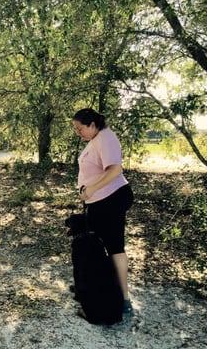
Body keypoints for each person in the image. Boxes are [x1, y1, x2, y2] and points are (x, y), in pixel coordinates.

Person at [72, 108, 134, 314]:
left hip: (112, 199)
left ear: (92, 124)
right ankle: (95, 287)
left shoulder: (106, 138)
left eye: (80, 129)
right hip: (98, 201)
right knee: (95, 246)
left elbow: (115, 169)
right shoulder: (95, 140)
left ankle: (124, 298)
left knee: (114, 246)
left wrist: (90, 189)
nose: (78, 133)